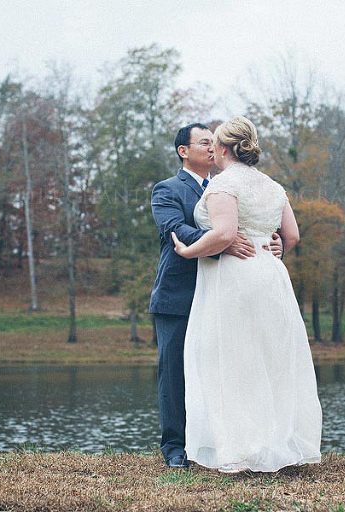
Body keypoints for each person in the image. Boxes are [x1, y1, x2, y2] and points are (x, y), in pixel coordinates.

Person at [170, 116, 323, 473]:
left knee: (234, 361)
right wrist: (275, 247)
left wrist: (187, 251)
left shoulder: (225, 184)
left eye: (214, 143)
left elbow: (224, 234)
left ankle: (242, 448)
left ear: (223, 148)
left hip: (235, 278)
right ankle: (276, 444)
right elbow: (292, 235)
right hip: (271, 278)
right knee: (269, 360)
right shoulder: (273, 185)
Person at [150, 123, 283, 469]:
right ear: (184, 151)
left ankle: (214, 444)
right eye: (204, 142)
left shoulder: (229, 185)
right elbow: (173, 230)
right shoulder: (166, 190)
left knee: (224, 368)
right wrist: (222, 242)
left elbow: (258, 225)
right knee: (175, 370)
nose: (212, 147)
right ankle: (175, 448)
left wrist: (272, 240)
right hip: (179, 294)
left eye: (215, 142)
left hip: (227, 295)